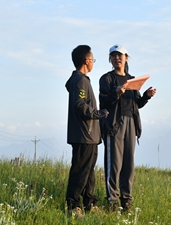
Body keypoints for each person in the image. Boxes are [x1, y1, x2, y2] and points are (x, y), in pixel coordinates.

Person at [99, 44, 156, 211]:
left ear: (126, 58)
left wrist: (146, 96)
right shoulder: (106, 79)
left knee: (129, 164)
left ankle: (126, 200)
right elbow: (103, 102)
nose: (117, 58)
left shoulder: (132, 79)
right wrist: (116, 92)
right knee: (114, 164)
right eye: (114, 56)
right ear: (110, 59)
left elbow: (136, 104)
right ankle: (112, 201)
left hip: (131, 123)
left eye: (120, 55)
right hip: (114, 125)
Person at [65, 45, 108, 216]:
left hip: (89, 136)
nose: (93, 63)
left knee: (89, 171)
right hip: (84, 134)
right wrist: (98, 114)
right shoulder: (81, 81)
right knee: (80, 171)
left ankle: (89, 204)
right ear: (86, 61)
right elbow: (79, 105)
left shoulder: (81, 79)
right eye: (92, 59)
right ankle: (73, 206)